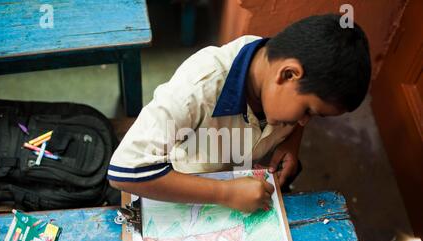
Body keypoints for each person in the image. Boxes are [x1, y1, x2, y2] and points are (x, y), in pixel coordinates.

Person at [108, 14, 371, 213]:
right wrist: (224, 193)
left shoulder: (276, 68)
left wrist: (293, 141)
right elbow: (125, 171)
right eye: (308, 112)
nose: (303, 122)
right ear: (288, 75)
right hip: (184, 186)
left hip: (236, 173)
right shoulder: (198, 87)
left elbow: (300, 108)